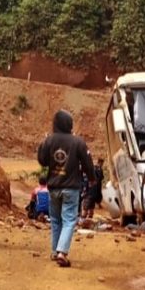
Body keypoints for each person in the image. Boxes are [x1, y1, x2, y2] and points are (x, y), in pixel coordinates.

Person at [37, 109, 94, 267]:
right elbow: (88, 163)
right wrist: (92, 179)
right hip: (71, 188)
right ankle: (62, 252)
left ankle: (55, 251)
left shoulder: (49, 141)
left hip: (54, 187)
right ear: (69, 124)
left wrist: (43, 144)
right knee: (69, 220)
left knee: (55, 219)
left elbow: (42, 161)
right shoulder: (78, 142)